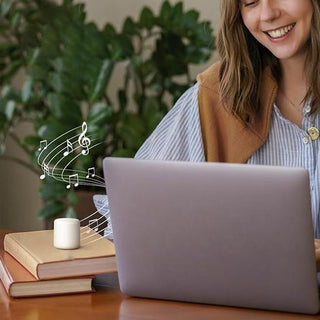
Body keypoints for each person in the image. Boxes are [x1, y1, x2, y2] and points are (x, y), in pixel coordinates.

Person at [100, 0, 320, 265]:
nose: (268, 14)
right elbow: (126, 216)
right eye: (250, 2)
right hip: (245, 304)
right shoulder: (216, 98)